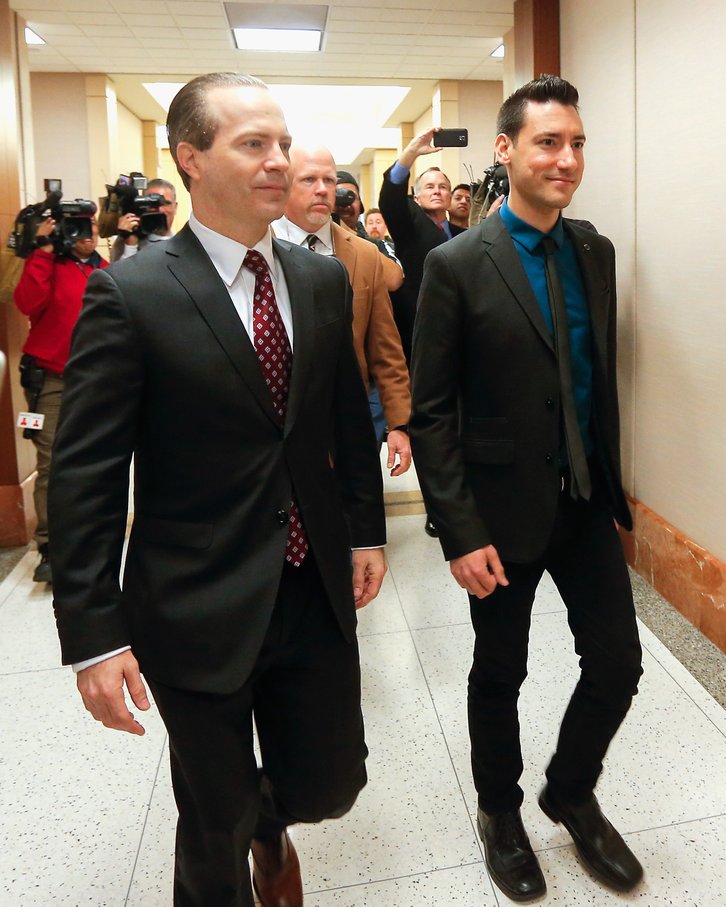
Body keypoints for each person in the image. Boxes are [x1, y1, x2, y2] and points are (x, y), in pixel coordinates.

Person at [48, 72, 387, 907]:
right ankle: (236, 838)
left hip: (310, 586)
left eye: (283, 143)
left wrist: (367, 531)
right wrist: (93, 634)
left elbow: (344, 419)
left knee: (330, 784)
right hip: (195, 599)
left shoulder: (317, 281)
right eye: (254, 145)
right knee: (211, 822)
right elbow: (86, 471)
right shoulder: (131, 292)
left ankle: (271, 822)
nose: (280, 162)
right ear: (190, 158)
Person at [409, 75, 644, 901]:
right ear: (506, 151)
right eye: (549, 142)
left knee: (617, 660)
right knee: (498, 668)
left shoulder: (596, 251)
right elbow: (431, 410)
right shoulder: (455, 264)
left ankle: (569, 789)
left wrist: (616, 482)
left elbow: (591, 377)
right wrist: (459, 528)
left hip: (582, 500)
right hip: (498, 513)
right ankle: (500, 812)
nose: (567, 158)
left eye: (577, 142)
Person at [273, 146, 411, 474]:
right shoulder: (257, 248)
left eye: (329, 180)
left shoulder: (363, 254)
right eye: (308, 179)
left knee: (357, 518)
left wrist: (399, 424)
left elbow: (386, 349)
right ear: (286, 184)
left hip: (350, 421)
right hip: (278, 426)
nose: (322, 189)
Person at [379, 132, 465, 537]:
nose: (437, 190)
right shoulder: (410, 224)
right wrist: (411, 154)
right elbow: (390, 199)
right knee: (431, 429)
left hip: (460, 341)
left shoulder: (460, 233)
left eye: (443, 186)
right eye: (428, 186)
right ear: (416, 196)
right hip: (421, 339)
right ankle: (437, 508)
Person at [13, 214, 106, 584]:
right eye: (77, 229)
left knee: (97, 456)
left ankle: (92, 535)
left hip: (98, 377)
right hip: (51, 377)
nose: (86, 236)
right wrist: (44, 251)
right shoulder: (51, 263)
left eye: (92, 229)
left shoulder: (104, 269)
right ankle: (50, 545)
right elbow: (26, 303)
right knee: (52, 460)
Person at [110, 177, 178, 261]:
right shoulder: (128, 239)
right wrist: (130, 245)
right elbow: (120, 273)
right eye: (153, 203)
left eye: (166, 203)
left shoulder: (184, 243)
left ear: (175, 207)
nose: (160, 209)